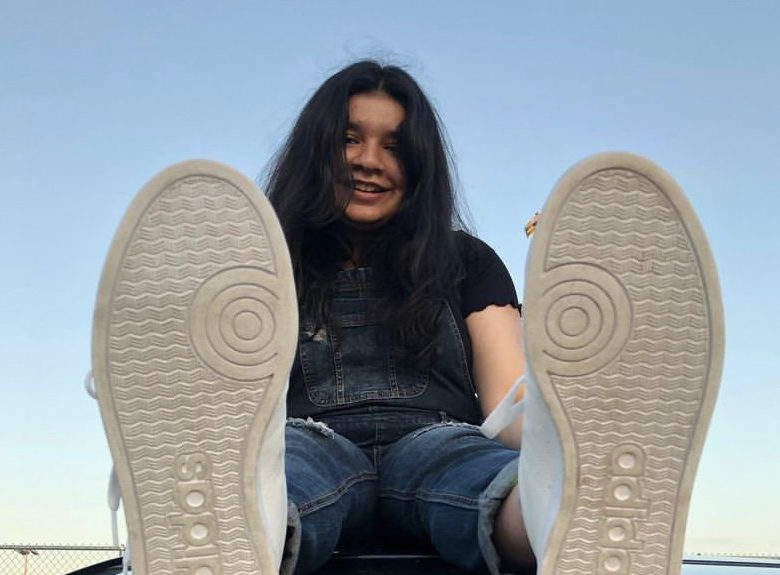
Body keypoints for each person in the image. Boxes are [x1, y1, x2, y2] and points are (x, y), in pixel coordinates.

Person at [90, 60, 723, 575]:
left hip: (438, 437)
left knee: (486, 478)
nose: (369, 160)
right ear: (317, 151)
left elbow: (506, 402)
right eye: (349, 139)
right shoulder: (264, 260)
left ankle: (569, 512)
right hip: (308, 435)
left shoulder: (464, 260)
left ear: (419, 166)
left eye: (394, 146)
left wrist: (572, 436)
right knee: (281, 471)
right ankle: (213, 536)